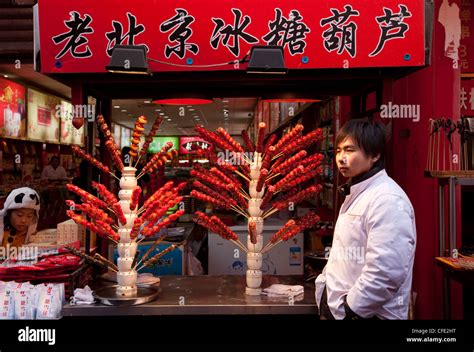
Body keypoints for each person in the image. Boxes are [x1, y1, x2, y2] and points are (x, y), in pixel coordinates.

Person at [315, 119, 416, 320]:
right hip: (339, 308)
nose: (341, 158)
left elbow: (386, 272)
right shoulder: (357, 192)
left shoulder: (387, 199)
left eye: (350, 150)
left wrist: (351, 310)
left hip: (365, 315)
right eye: (338, 151)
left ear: (375, 154)